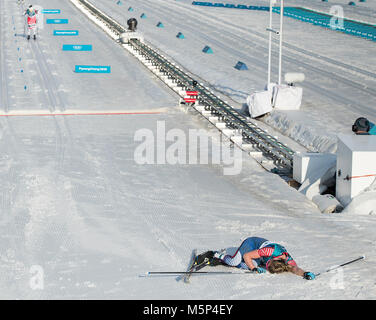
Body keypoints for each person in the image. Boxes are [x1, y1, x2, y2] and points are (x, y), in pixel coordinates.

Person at [198, 236, 316, 280]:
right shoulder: (270, 251)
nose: (266, 266)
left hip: (259, 254)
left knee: (247, 266)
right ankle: (216, 254)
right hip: (251, 244)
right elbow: (247, 255)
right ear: (274, 259)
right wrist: (254, 268)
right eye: (268, 264)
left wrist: (305, 273)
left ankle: (224, 261)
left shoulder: (288, 260)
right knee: (235, 261)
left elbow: (295, 269)